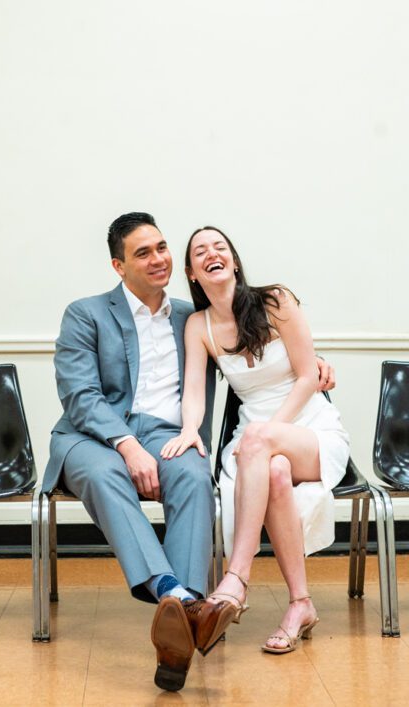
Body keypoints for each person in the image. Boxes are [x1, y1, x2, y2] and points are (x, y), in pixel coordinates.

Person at [47, 212, 334, 691]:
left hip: (170, 435)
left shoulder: (191, 317)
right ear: (118, 266)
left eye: (161, 247)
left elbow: (255, 345)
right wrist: (127, 444)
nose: (157, 258)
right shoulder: (85, 312)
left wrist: (318, 363)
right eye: (143, 252)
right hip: (93, 436)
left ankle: (181, 628)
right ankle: (178, 595)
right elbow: (80, 396)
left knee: (195, 478)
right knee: (105, 477)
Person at [160, 226, 349, 655]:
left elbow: (306, 376)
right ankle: (301, 604)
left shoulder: (276, 300)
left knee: (266, 449)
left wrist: (268, 434)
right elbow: (194, 392)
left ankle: (235, 579)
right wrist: (190, 428)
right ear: (192, 272)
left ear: (234, 260)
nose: (213, 253)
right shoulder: (198, 326)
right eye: (201, 251)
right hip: (258, 445)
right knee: (276, 474)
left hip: (311, 429)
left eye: (220, 247)